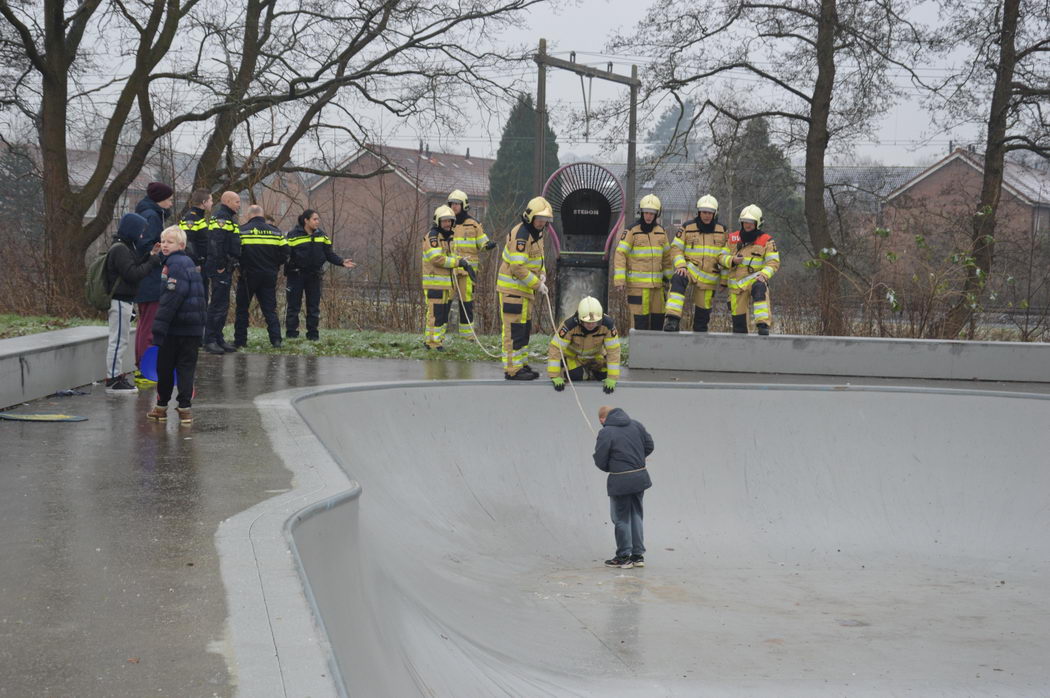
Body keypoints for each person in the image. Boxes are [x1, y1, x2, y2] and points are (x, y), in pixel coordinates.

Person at [146, 226, 206, 424]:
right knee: (186, 368)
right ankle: (185, 408)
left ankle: (162, 406)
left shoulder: (176, 264)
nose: (164, 245)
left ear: (181, 245)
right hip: (193, 326)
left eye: (169, 242)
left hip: (176, 327)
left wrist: (159, 327)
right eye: (163, 241)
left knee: (165, 367)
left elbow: (173, 297)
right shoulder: (187, 262)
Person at [103, 213, 164, 393]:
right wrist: (152, 261)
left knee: (121, 340)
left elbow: (134, 266)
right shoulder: (120, 249)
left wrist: (151, 254)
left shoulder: (125, 247)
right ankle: (113, 379)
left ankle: (115, 374)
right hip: (120, 300)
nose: (142, 235)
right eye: (141, 231)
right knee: (118, 341)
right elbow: (133, 274)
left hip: (125, 300)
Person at [496, 196, 551, 380]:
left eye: (545, 220)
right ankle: (512, 370)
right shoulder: (522, 235)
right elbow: (517, 267)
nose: (542, 223)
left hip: (524, 290)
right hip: (513, 290)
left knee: (524, 329)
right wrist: (537, 284)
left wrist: (542, 273)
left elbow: (538, 259)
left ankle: (521, 364)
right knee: (514, 330)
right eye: (539, 219)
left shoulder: (537, 233)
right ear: (530, 217)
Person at [593, 405, 654, 569]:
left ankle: (623, 556)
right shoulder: (636, 425)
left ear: (602, 419)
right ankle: (638, 555)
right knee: (636, 515)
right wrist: (636, 459)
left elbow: (600, 459)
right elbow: (649, 446)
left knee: (621, 518)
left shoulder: (606, 432)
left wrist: (613, 466)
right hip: (640, 477)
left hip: (620, 480)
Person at [284, 209, 356, 340]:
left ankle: (313, 335)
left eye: (318, 219)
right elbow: (285, 254)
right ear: (306, 220)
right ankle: (291, 335)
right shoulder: (293, 235)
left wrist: (341, 262)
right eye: (314, 219)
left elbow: (329, 254)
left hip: (314, 275)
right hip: (296, 275)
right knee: (293, 306)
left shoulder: (322, 235)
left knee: (313, 307)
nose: (318, 222)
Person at [664, 195, 730, 332]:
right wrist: (681, 265)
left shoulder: (722, 230)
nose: (706, 216)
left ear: (715, 213)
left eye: (710, 213)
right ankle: (672, 320)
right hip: (690, 269)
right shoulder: (687, 227)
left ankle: (699, 342)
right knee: (678, 278)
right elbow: (676, 248)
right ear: (699, 212)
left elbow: (725, 255)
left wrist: (724, 280)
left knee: (702, 317)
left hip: (709, 276)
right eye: (704, 212)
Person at [613, 194, 674, 331]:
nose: (648, 216)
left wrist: (671, 280)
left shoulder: (661, 232)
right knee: (639, 324)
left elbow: (666, 258)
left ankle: (655, 352)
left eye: (652, 213)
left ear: (657, 214)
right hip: (638, 288)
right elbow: (620, 254)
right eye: (646, 213)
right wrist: (619, 280)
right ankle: (638, 352)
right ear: (641, 212)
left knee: (658, 323)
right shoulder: (632, 231)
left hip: (657, 288)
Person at [133, 182, 174, 383]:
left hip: (144, 278)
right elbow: (147, 245)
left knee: (144, 324)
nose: (171, 202)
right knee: (150, 326)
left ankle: (141, 364)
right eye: (169, 199)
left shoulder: (146, 212)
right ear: (160, 200)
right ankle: (145, 368)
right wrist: (160, 254)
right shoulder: (153, 216)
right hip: (150, 279)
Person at [233, 204, 288, 348]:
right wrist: (274, 266)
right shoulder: (276, 232)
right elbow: (286, 253)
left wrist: (240, 266)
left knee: (242, 309)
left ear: (249, 215)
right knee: (270, 309)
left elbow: (235, 253)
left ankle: (240, 341)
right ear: (262, 215)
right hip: (269, 275)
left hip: (247, 276)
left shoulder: (241, 231)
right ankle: (276, 340)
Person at [721, 204, 780, 335]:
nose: (747, 225)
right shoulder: (732, 238)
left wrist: (764, 275)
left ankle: (762, 324)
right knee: (739, 327)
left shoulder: (767, 240)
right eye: (745, 222)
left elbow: (773, 262)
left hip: (755, 279)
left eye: (751, 222)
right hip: (736, 286)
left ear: (757, 223)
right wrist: (732, 260)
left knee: (760, 288)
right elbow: (721, 257)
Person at [447, 189, 496, 341]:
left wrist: (488, 245)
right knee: (445, 302)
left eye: (457, 204)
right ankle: (438, 334)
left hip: (468, 272)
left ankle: (467, 335)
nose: (454, 207)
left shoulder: (474, 225)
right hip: (449, 270)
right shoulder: (446, 224)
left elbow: (482, 243)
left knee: (466, 302)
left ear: (464, 205)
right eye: (452, 204)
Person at [547, 296, 621, 394]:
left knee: (603, 376)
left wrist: (612, 378)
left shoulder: (608, 325)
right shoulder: (569, 326)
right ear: (580, 319)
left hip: (595, 357)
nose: (590, 325)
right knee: (576, 376)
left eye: (594, 322)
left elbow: (613, 351)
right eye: (587, 322)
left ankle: (590, 372)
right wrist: (555, 376)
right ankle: (570, 368)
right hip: (574, 357)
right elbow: (556, 348)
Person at [421, 205, 469, 351]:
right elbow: (437, 259)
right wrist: (457, 262)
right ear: (438, 222)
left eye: (450, 221)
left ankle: (438, 341)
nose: (448, 224)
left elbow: (450, 257)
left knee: (442, 315)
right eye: (444, 221)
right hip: (435, 283)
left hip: (446, 284)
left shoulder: (449, 238)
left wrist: (462, 262)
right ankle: (431, 343)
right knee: (435, 315)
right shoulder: (433, 237)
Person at [203, 191, 242, 354]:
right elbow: (216, 242)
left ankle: (218, 338)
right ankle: (210, 339)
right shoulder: (221, 217)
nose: (239, 205)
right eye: (237, 201)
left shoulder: (228, 217)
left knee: (223, 304)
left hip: (226, 266)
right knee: (217, 304)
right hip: (220, 267)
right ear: (226, 201)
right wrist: (220, 264)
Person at [178, 188, 213, 302]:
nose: (212, 203)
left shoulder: (198, 217)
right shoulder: (192, 218)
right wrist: (196, 262)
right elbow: (188, 242)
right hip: (196, 266)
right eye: (210, 200)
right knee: (198, 299)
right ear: (204, 203)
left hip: (202, 264)